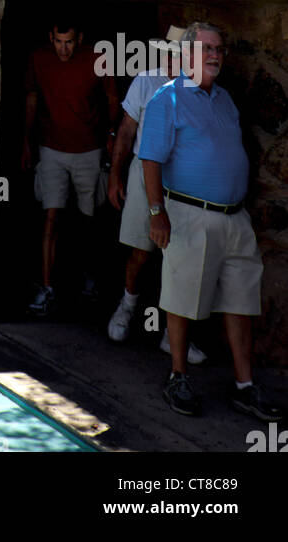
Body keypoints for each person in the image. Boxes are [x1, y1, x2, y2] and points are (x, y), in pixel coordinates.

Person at [139, 20, 282, 421]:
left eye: (219, 49)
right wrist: (156, 213)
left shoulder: (225, 100)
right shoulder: (167, 100)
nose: (216, 55)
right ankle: (178, 377)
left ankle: (244, 386)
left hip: (235, 219)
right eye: (208, 49)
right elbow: (149, 160)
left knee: (240, 302)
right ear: (186, 57)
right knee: (182, 299)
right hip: (188, 214)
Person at [106, 26, 206, 364]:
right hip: (142, 173)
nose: (171, 57)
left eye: (178, 53)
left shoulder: (196, 86)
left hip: (182, 178)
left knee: (179, 261)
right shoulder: (145, 80)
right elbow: (126, 131)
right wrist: (114, 175)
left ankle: (171, 336)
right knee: (141, 251)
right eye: (168, 51)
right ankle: (127, 306)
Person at [23, 13, 119, 314]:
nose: (63, 49)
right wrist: (25, 140)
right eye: (58, 42)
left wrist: (113, 133)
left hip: (89, 149)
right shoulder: (39, 58)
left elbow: (112, 97)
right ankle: (47, 285)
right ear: (50, 37)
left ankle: (88, 280)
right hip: (51, 147)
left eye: (69, 42)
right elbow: (31, 97)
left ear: (79, 39)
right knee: (50, 215)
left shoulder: (98, 56)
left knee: (88, 218)